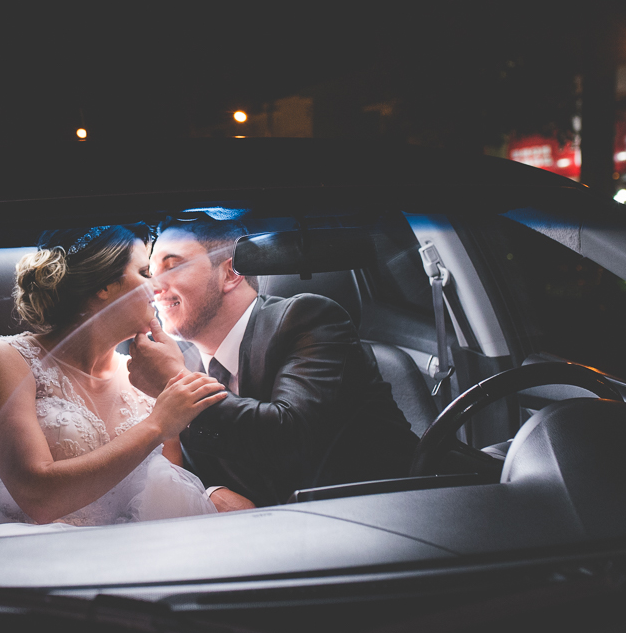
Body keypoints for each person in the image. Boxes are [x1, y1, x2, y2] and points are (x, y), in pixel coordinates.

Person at [0, 225, 243, 540]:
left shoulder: (144, 375)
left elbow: (167, 491)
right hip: (22, 548)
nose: (158, 286)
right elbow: (39, 498)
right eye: (145, 272)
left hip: (128, 547)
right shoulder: (5, 359)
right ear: (105, 284)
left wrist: (210, 494)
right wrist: (158, 424)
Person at [128, 217, 419, 508]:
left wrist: (176, 383)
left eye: (173, 265)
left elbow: (290, 438)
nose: (153, 287)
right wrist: (209, 491)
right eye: (151, 272)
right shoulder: (186, 359)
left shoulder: (309, 318)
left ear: (230, 274)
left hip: (384, 513)